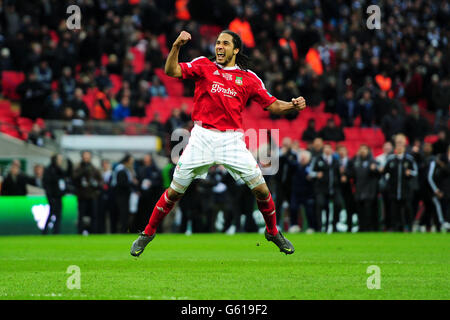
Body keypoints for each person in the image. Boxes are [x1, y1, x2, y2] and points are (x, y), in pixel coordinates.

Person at [131, 30, 306, 256]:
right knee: (174, 192)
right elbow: (171, 70)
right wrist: (176, 46)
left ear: (236, 49)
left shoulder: (249, 78)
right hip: (201, 137)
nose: (219, 47)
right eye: (217, 43)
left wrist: (292, 104)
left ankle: (272, 231)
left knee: (262, 190)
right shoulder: (203, 65)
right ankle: (148, 233)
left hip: (231, 140)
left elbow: (271, 105)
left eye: (225, 43)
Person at [383, 134, 418, 232]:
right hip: (393, 190)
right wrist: (387, 182)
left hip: (406, 189)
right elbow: (385, 172)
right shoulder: (391, 159)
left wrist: (409, 173)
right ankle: (396, 227)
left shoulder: (409, 159)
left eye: (400, 146)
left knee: (407, 209)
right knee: (394, 210)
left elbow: (415, 172)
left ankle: (409, 226)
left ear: (404, 147)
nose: (399, 147)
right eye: (397, 146)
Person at [348, 145, 380, 231]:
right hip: (359, 190)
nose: (362, 151)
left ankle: (370, 228)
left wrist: (374, 170)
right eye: (361, 149)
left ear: (368, 151)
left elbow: (378, 174)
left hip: (369, 191)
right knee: (360, 211)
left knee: (369, 211)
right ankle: (361, 228)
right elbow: (351, 173)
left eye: (364, 149)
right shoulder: (356, 162)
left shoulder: (373, 161)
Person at [72, 151, 103, 234]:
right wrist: (83, 172)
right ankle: (80, 232)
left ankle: (93, 232)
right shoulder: (78, 168)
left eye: (87, 156)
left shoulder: (94, 169)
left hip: (92, 196)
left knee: (94, 215)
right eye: (85, 156)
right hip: (81, 195)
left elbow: (101, 181)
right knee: (81, 216)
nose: (86, 158)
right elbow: (74, 178)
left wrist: (96, 184)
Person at [42, 154, 71, 235]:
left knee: (58, 215)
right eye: (59, 159)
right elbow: (47, 185)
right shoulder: (49, 170)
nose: (60, 161)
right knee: (51, 214)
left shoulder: (59, 170)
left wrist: (69, 164)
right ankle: (45, 232)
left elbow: (67, 174)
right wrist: (50, 196)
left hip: (59, 196)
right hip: (52, 196)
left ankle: (56, 232)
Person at [111, 154, 138, 233]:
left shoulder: (123, 169)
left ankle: (123, 230)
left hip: (122, 194)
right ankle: (123, 230)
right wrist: (132, 184)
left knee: (124, 213)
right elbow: (122, 183)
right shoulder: (121, 169)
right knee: (123, 213)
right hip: (121, 195)